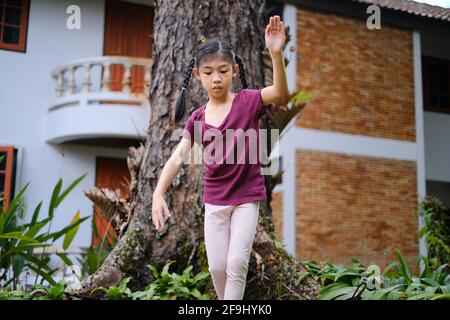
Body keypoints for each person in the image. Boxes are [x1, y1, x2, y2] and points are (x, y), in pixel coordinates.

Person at [151, 15, 289, 300]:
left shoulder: (248, 101)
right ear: (198, 75)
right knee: (217, 267)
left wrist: (275, 54)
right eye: (209, 72)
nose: (216, 78)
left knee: (237, 264)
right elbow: (178, 158)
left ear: (234, 72)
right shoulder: (197, 118)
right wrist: (158, 193)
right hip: (214, 202)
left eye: (223, 71)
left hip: (246, 199)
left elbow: (279, 93)